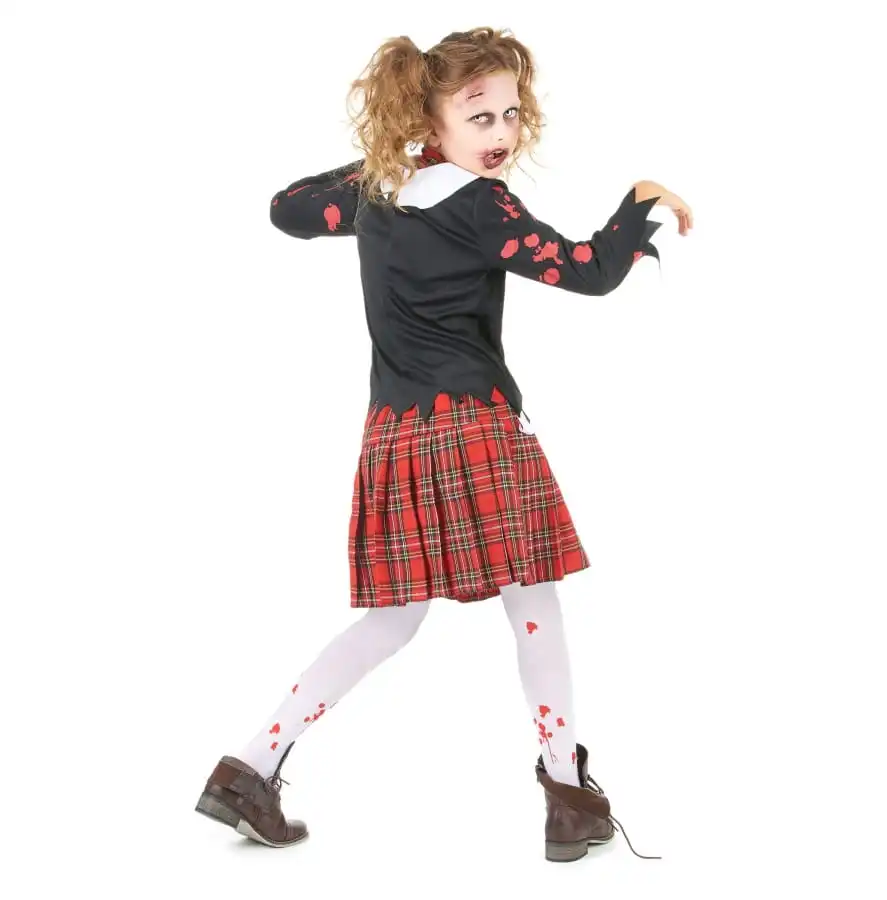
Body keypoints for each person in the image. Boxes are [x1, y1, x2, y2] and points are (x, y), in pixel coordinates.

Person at [195, 26, 692, 863]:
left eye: (511, 114)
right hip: (479, 429)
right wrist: (639, 202)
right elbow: (589, 270)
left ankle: (249, 767)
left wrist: (385, 161)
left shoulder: (377, 191)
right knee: (533, 605)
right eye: (479, 115)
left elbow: (286, 208)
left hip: (397, 436)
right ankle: (567, 794)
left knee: (391, 621)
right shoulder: (481, 206)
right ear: (432, 116)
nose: (501, 134)